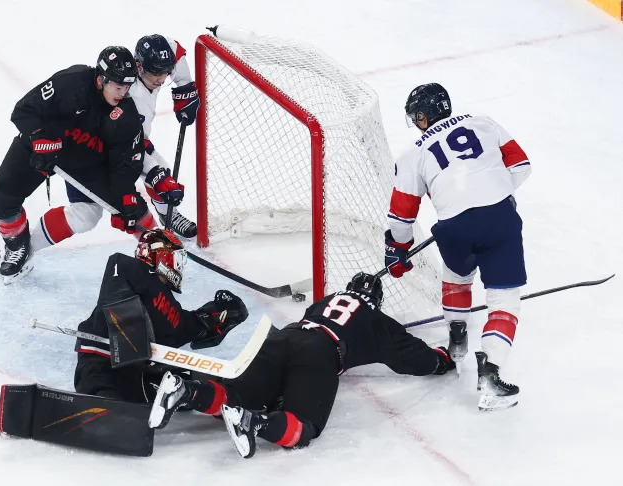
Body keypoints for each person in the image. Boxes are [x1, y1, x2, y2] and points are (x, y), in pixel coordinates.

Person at [148, 272, 455, 458]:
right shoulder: (377, 319)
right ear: (376, 300)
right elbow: (414, 358)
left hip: (282, 337)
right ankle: (255, 423)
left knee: (237, 395)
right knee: (304, 426)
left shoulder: (323, 301)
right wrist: (442, 359)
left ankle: (186, 391)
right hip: (320, 351)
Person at [384, 83, 531, 411]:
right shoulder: (484, 122)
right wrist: (489, 199)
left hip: (454, 227)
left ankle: (457, 335)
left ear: (422, 117)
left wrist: (399, 248)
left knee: (456, 275)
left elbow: (400, 217)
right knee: (504, 301)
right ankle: (491, 374)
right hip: (501, 218)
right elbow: (521, 166)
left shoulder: (412, 154)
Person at [0, 46, 159, 284]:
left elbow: (125, 166)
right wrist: (37, 137)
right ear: (101, 79)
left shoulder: (126, 114)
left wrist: (127, 199)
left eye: (127, 86)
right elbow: (24, 109)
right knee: (2, 200)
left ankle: (159, 244)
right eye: (117, 86)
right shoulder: (71, 82)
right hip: (45, 145)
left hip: (86, 160)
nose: (123, 92)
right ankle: (16, 245)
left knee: (126, 209)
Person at [73, 228, 249, 402]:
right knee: (105, 399)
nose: (179, 266)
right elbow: (117, 271)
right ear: (163, 256)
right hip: (102, 364)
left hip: (139, 378)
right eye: (177, 258)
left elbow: (191, 325)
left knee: (191, 387)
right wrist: (131, 340)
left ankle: (241, 399)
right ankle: (102, 410)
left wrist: (220, 314)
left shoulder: (171, 307)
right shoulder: (131, 271)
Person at [128, 34, 201, 239]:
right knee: (89, 212)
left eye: (165, 73)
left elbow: (174, 49)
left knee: (161, 171)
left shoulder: (156, 64)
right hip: (108, 147)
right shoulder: (133, 96)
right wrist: (156, 175)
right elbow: (132, 147)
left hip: (133, 137)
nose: (161, 79)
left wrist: (184, 87)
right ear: (139, 66)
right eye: (155, 74)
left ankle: (167, 215)